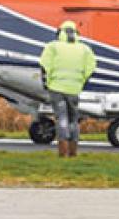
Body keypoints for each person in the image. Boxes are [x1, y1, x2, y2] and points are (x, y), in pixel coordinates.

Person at [39, 20, 96, 158]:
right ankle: (73, 152)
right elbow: (91, 68)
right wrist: (81, 81)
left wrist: (46, 82)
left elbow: (44, 66)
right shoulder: (85, 49)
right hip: (74, 89)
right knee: (73, 120)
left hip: (56, 89)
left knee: (62, 119)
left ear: (60, 32)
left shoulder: (53, 47)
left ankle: (62, 152)